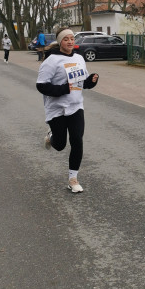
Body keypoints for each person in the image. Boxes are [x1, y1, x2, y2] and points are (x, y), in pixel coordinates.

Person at [36, 27, 99, 193]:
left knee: (77, 140)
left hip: (76, 106)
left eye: (72, 38)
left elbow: (81, 82)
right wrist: (64, 89)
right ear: (60, 42)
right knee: (60, 145)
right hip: (57, 108)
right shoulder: (51, 60)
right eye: (66, 39)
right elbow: (41, 85)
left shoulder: (79, 58)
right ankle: (51, 136)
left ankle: (73, 179)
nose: (70, 42)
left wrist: (91, 81)